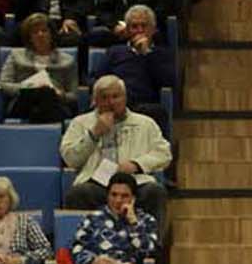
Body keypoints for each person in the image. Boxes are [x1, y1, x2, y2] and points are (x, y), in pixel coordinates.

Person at [59, 75, 172, 218]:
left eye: (115, 96)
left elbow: (164, 154)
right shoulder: (80, 123)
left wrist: (137, 164)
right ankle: (82, 240)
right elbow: (70, 159)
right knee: (78, 194)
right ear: (95, 101)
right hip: (96, 183)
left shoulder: (145, 123)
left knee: (155, 192)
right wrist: (93, 134)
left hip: (135, 182)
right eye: (104, 98)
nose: (110, 102)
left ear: (125, 98)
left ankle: (152, 240)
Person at [66, 176, 159, 264]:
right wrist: (93, 260)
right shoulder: (93, 218)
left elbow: (147, 252)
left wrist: (133, 223)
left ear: (134, 198)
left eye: (124, 196)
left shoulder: (146, 221)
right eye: (113, 195)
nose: (118, 200)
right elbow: (77, 248)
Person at [0, 13, 81, 125]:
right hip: (23, 103)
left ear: (51, 34)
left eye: (44, 31)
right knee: (40, 92)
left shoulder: (67, 60)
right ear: (29, 37)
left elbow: (74, 95)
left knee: (46, 94)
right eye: (35, 32)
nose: (40, 35)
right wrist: (27, 87)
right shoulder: (16, 55)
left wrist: (60, 94)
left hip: (56, 103)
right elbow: (4, 84)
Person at [97, 3, 177, 116]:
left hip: (145, 106)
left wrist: (147, 53)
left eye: (144, 26)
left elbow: (168, 82)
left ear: (153, 29)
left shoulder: (162, 54)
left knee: (156, 113)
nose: (140, 30)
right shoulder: (114, 51)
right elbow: (97, 78)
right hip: (114, 104)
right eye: (134, 26)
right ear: (127, 30)